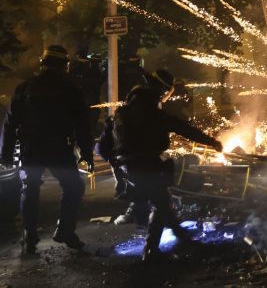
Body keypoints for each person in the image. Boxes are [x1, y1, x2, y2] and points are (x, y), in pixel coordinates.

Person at [105, 69, 223, 262]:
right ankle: (159, 249)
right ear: (160, 91)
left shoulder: (123, 112)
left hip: (128, 167)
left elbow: (105, 144)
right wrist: (212, 142)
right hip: (146, 165)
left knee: (161, 204)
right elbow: (184, 129)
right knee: (161, 205)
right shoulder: (152, 113)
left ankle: (169, 242)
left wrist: (117, 166)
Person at [0, 45, 93, 254]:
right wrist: (86, 153)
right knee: (73, 187)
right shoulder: (71, 89)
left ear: (43, 63)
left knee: (30, 189)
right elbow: (82, 125)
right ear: (65, 65)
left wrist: (6, 155)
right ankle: (66, 230)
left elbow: (10, 123)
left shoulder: (25, 88)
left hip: (31, 148)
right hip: (60, 149)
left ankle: (29, 237)